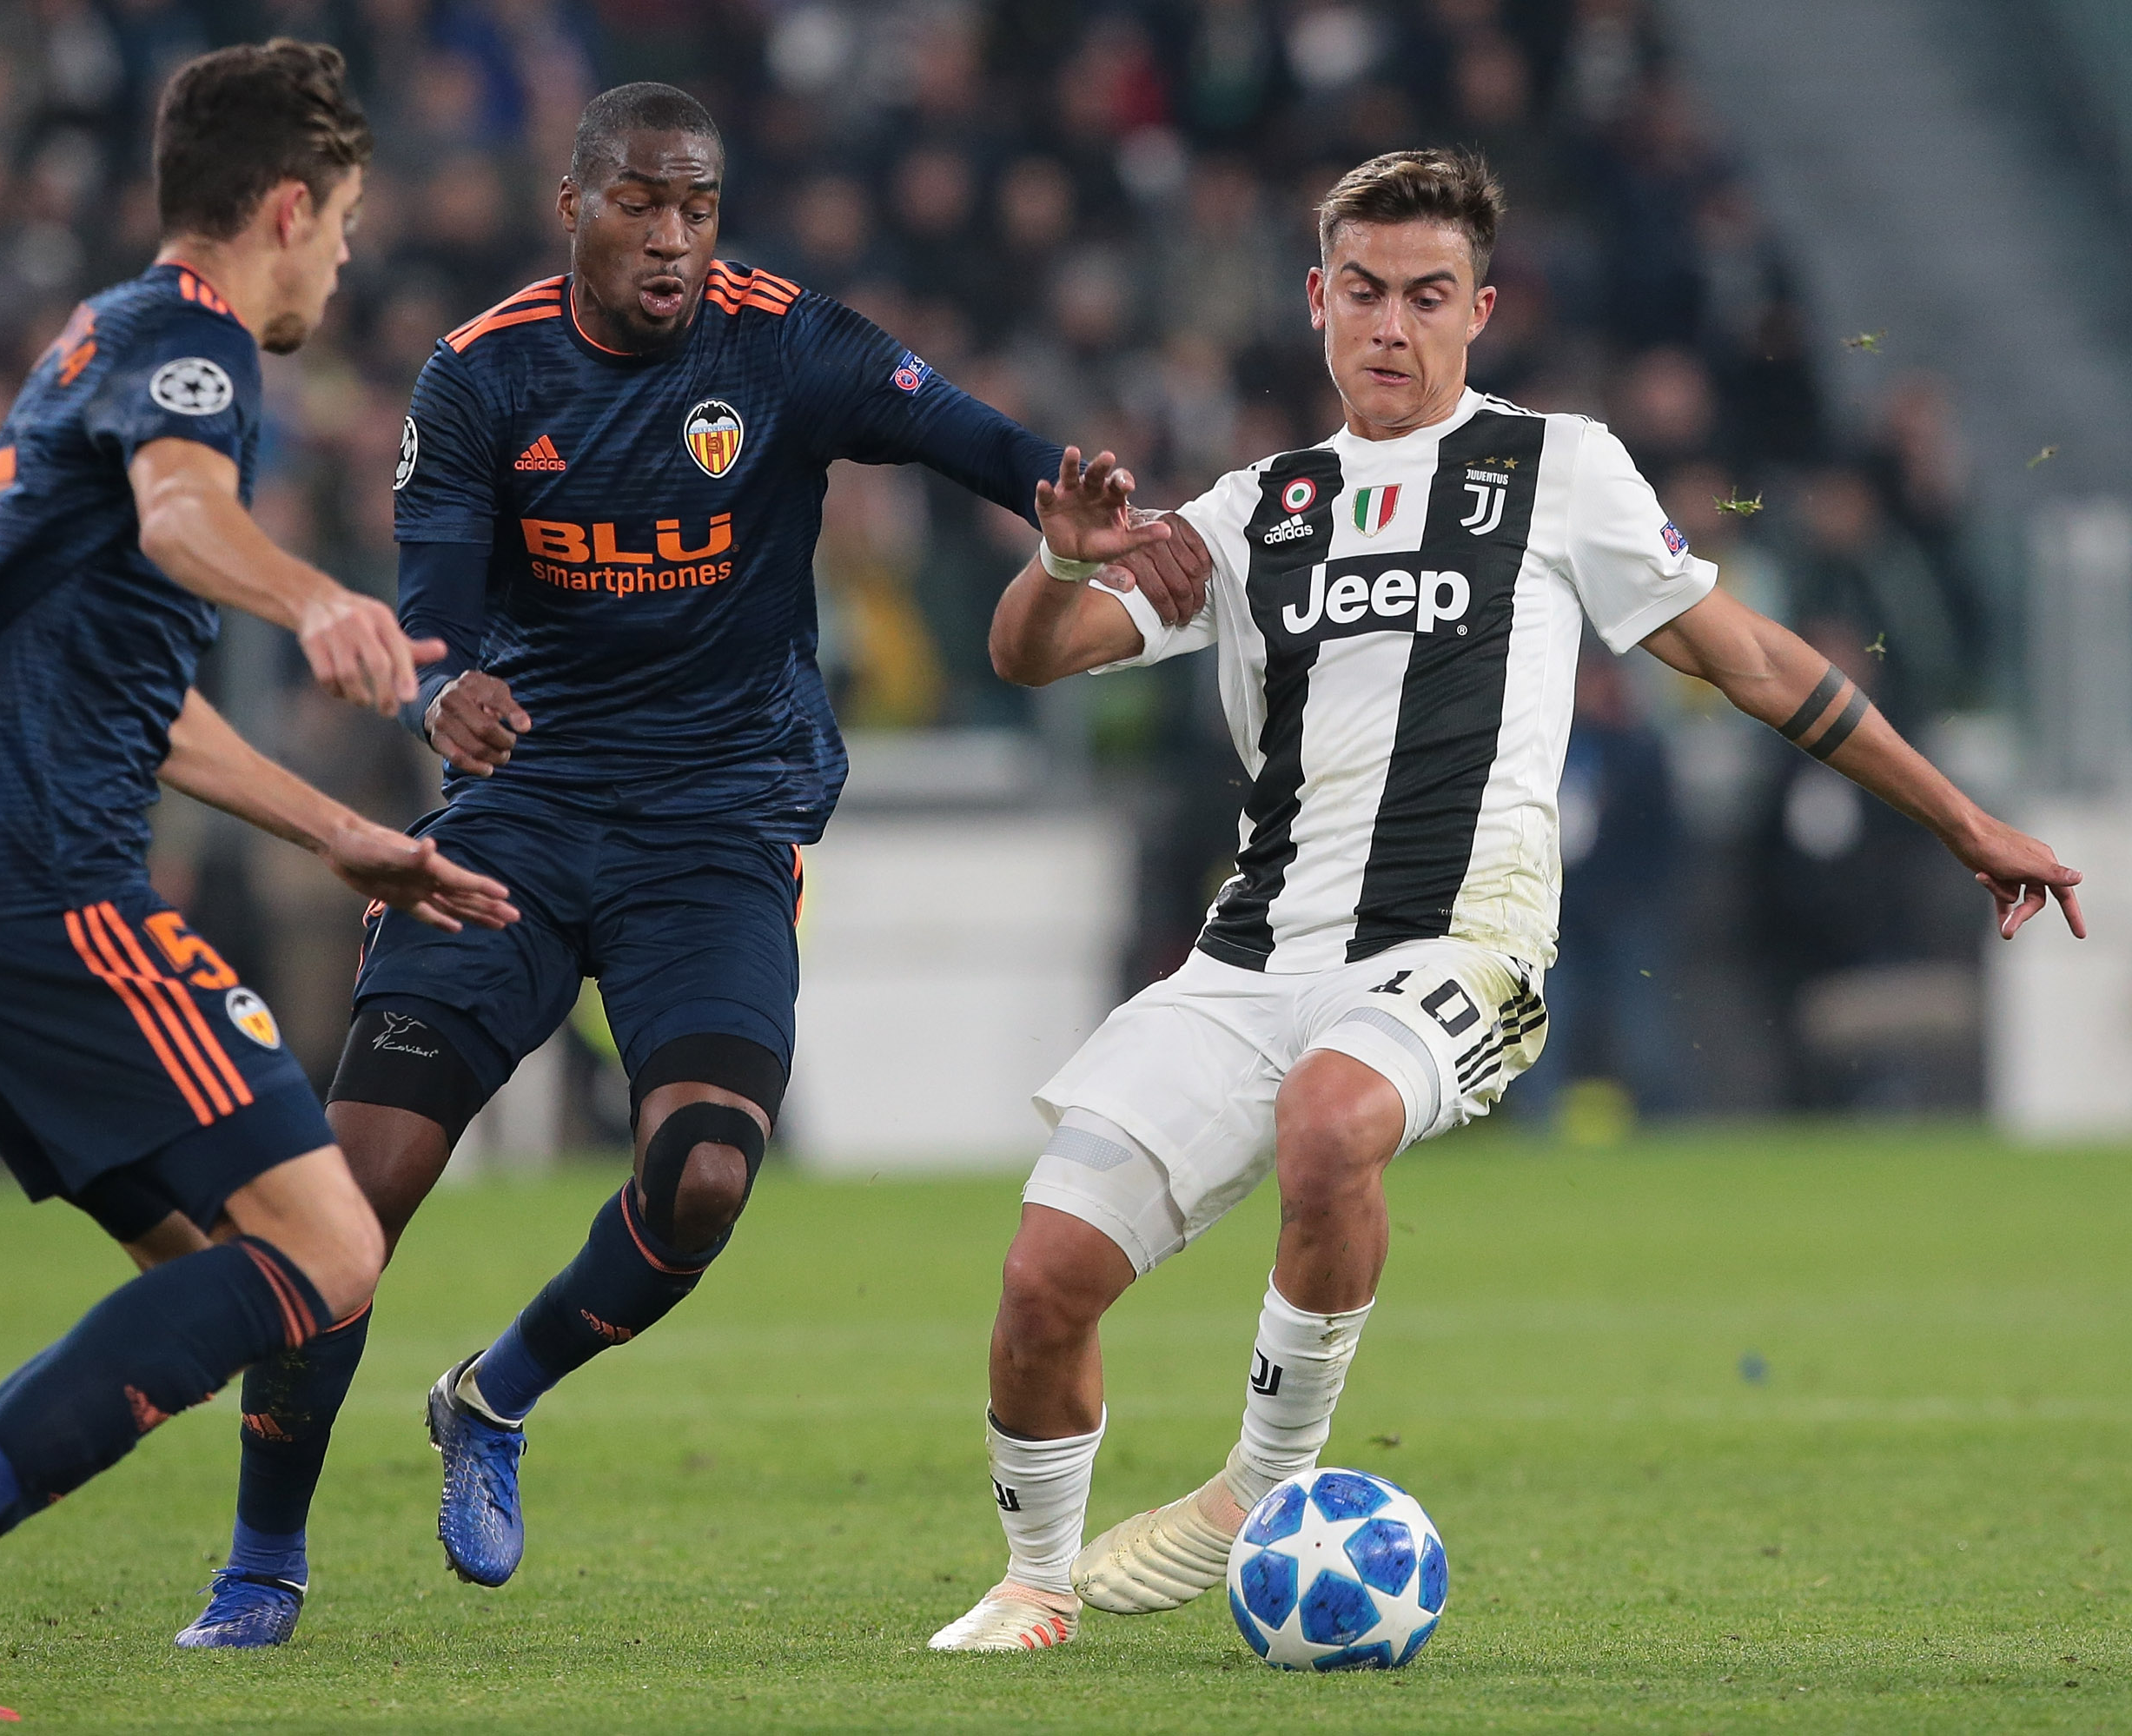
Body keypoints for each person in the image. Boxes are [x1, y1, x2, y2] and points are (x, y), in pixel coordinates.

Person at [927, 147, 2083, 1653]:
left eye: (1425, 296)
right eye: (1362, 293)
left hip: (1459, 946)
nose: (1389, 327)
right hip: (1251, 953)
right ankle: (1036, 1582)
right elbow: (1036, 655)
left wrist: (1963, 818)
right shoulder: (1250, 508)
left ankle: (1258, 1490)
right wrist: (1052, 561)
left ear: (1482, 307)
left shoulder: (1562, 468)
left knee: (1333, 1125)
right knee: (1040, 1281)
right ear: (1317, 302)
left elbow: (1747, 657)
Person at [175, 79, 1190, 1646]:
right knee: (353, 1194)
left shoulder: (781, 340)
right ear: (570, 204)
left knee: (704, 1173)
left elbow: (960, 427)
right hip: (518, 817)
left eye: (697, 207)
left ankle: (494, 1397)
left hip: (720, 823)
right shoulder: (483, 372)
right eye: (639, 202)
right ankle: (260, 1563)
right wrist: (444, 684)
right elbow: (431, 592)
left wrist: (1066, 502)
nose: (672, 238)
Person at [0, 42, 514, 1721]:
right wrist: (315, 596)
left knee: (229, 1271)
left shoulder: (96, 338)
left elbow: (143, 696)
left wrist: (342, 834)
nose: (345, 261)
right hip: (42, 877)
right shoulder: (192, 345)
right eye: (348, 224)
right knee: (327, 1246)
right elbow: (180, 520)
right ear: (291, 206)